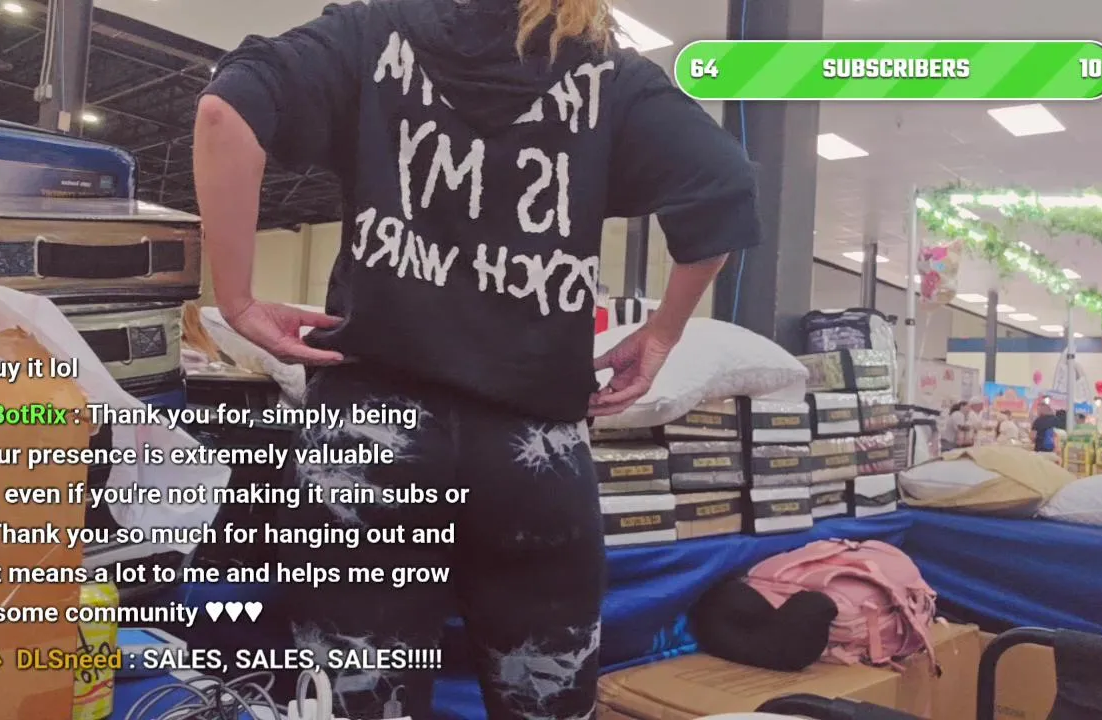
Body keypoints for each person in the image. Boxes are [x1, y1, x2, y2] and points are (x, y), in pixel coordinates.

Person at [193, 1, 758, 717]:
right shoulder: (608, 72)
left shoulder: (370, 33)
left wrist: (237, 299)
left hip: (372, 435)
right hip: (535, 451)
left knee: (360, 702)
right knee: (546, 703)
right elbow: (726, 183)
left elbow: (225, 112)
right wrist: (662, 333)